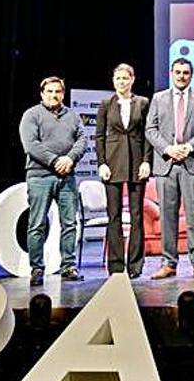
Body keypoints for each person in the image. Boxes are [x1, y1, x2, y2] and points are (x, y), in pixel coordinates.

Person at [145, 58, 194, 279]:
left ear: (191, 75)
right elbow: (150, 129)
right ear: (171, 73)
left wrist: (188, 147)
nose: (181, 76)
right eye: (178, 72)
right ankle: (169, 263)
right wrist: (168, 149)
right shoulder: (158, 98)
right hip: (167, 163)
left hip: (192, 162)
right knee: (168, 216)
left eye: (185, 73)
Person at [18, 76, 87, 286]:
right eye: (49, 91)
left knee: (69, 223)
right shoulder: (32, 115)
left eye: (57, 91)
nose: (53, 95)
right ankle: (37, 268)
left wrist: (70, 159)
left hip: (67, 176)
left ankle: (68, 266)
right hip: (40, 176)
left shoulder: (73, 116)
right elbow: (31, 145)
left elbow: (82, 140)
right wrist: (56, 160)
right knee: (37, 223)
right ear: (42, 94)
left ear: (63, 94)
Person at [94, 63, 152, 279]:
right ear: (113, 80)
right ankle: (116, 265)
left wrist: (147, 161)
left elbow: (148, 134)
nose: (121, 82)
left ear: (132, 80)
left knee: (137, 216)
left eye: (125, 78)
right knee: (114, 215)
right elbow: (99, 136)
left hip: (137, 163)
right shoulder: (106, 104)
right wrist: (102, 163)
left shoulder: (142, 103)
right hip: (113, 163)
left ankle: (135, 265)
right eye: (117, 79)